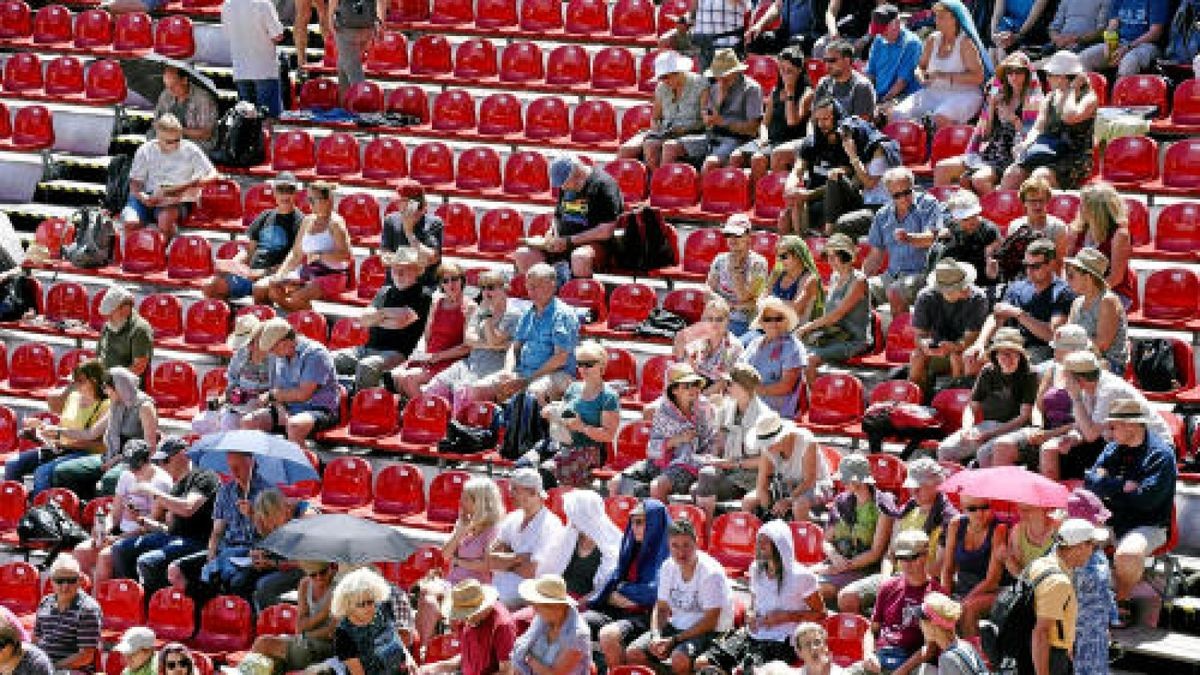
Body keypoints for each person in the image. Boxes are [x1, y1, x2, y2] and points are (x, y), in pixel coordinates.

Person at [1085, 398, 1177, 627]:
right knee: (1072, 538)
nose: (1109, 430)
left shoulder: (1160, 456)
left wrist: (1108, 485)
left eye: (1114, 425)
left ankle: (1122, 599)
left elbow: (1146, 501)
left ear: (1132, 426)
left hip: (1148, 524)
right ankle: (1089, 597)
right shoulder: (1113, 448)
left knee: (1127, 555)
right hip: (1111, 518)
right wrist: (1122, 486)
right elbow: (1091, 480)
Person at [695, 520, 825, 673]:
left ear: (780, 545)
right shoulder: (756, 568)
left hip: (782, 640)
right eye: (759, 541)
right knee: (702, 663)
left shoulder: (802, 576)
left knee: (747, 672)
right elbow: (755, 602)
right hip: (753, 633)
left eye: (766, 542)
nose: (760, 546)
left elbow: (821, 614)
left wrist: (785, 617)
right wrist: (750, 614)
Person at [841, 458, 958, 615]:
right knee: (847, 597)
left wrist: (904, 582)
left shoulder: (949, 520)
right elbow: (890, 556)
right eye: (911, 488)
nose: (913, 492)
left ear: (937, 486)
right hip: (895, 577)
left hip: (925, 582)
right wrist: (886, 580)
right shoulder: (905, 512)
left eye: (919, 487)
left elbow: (938, 568)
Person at [625, 519, 732, 675]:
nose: (681, 553)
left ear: (696, 543)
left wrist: (674, 640)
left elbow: (710, 621)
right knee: (634, 653)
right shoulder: (668, 566)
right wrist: (656, 635)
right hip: (677, 627)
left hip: (710, 631)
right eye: (675, 546)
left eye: (686, 545)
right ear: (669, 546)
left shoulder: (711, 573)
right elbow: (661, 608)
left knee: (680, 658)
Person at [114, 436, 220, 594]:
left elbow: (188, 508)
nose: (162, 466)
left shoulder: (204, 476)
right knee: (121, 548)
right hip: (174, 538)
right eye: (159, 462)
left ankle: (157, 604)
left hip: (199, 541)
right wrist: (143, 521)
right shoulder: (176, 486)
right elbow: (168, 528)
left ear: (183, 454)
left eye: (165, 460)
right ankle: (135, 598)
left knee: (148, 561)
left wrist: (153, 492)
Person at [415, 477, 506, 651]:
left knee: (449, 603)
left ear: (479, 502)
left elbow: (488, 564)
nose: (460, 501)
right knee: (427, 592)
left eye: (466, 498)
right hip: (453, 581)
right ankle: (423, 648)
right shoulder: (464, 521)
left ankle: (452, 648)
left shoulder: (494, 529)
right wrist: (459, 533)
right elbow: (445, 554)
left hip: (476, 586)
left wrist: (459, 561)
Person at [934, 51, 1042, 195]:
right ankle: (940, 214)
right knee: (942, 167)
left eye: (1019, 72)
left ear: (1027, 74)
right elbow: (985, 136)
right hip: (988, 152)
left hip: (1012, 157)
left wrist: (1013, 119)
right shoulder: (999, 98)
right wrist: (990, 108)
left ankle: (995, 212)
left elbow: (1031, 139)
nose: (1014, 76)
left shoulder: (1034, 101)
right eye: (1010, 71)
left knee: (979, 179)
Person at [984, 324, 1089, 468]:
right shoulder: (1052, 369)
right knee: (1002, 445)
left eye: (1059, 347)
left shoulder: (1090, 376)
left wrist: (1049, 434)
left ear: (1075, 351)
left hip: (1074, 435)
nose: (1054, 350)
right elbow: (1037, 407)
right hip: (1045, 431)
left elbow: (1086, 421)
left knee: (1049, 449)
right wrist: (1038, 427)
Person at [587, 499, 672, 672]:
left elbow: (653, 593)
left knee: (609, 635)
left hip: (650, 616)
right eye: (632, 521)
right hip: (620, 610)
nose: (634, 527)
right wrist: (616, 593)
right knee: (575, 622)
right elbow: (613, 581)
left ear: (654, 523)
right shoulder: (631, 547)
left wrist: (622, 590)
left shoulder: (670, 553)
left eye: (640, 522)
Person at [965, 238, 1074, 372]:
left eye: (1035, 266)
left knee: (1012, 362)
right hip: (1011, 343)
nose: (1029, 271)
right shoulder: (1018, 286)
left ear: (1050, 264)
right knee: (973, 358)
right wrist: (980, 343)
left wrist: (1019, 314)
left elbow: (1053, 335)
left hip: (1040, 349)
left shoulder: (1062, 292)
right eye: (1026, 265)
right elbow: (997, 316)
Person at [612, 363, 717, 502]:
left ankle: (660, 521)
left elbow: (710, 443)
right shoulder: (662, 410)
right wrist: (678, 439)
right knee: (616, 482)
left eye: (695, 384)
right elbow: (653, 447)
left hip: (690, 463)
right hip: (660, 461)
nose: (693, 389)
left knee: (657, 486)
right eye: (686, 386)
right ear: (674, 390)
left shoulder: (705, 408)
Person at [4, 359, 109, 497]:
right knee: (13, 464)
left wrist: (63, 440)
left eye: (80, 381)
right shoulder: (73, 397)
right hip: (60, 448)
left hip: (84, 453)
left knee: (42, 472)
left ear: (94, 381)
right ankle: (14, 507)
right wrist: (40, 429)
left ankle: (42, 513)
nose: (76, 385)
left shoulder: (106, 405)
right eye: (74, 380)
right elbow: (63, 428)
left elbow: (99, 444)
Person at [72, 441, 172, 585]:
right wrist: (104, 530)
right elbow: (115, 514)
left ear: (148, 459)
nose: (133, 470)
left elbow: (150, 527)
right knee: (81, 551)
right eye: (130, 465)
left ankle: (101, 602)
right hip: (122, 533)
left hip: (145, 538)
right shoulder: (126, 475)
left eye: (137, 466)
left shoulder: (160, 482)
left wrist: (118, 538)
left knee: (105, 556)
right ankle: (84, 598)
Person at [53, 367, 158, 500]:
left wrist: (119, 458)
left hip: (134, 461)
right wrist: (58, 430)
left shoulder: (145, 407)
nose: (105, 391)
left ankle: (102, 513)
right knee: (63, 472)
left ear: (119, 387)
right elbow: (91, 433)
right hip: (110, 455)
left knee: (110, 480)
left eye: (107, 387)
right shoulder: (116, 404)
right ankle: (82, 509)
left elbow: (150, 447)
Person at [335, 249, 431, 392]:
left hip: (396, 353)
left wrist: (379, 314)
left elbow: (400, 322)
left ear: (418, 271)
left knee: (367, 366)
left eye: (404, 269)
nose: (398, 274)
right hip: (366, 348)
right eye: (395, 268)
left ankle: (361, 407)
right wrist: (386, 315)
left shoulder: (423, 295)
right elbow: (364, 320)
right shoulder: (385, 291)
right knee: (328, 358)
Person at [426, 270, 523, 411]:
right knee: (435, 386)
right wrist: (491, 344)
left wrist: (487, 318)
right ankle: (436, 423)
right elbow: (469, 339)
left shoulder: (512, 315)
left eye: (491, 287)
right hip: (471, 362)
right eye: (483, 288)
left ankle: (457, 429)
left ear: (504, 288)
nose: (485, 292)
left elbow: (494, 339)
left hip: (494, 365)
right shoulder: (481, 310)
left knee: (462, 391)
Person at [514, 156, 624, 279]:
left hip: (594, 245)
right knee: (523, 255)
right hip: (564, 242)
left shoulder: (604, 185)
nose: (563, 188)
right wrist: (552, 234)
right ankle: (543, 293)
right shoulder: (566, 186)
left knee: (579, 257)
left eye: (565, 184)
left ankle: (577, 294)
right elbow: (558, 216)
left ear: (577, 174)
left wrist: (570, 241)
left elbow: (606, 231)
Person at [937, 330, 1037, 464]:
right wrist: (967, 428)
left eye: (1013, 354)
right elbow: (972, 407)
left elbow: (1023, 417)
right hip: (988, 425)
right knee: (945, 449)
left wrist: (989, 435)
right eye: (1004, 354)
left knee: (984, 454)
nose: (1008, 359)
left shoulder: (1029, 374)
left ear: (1020, 355)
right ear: (996, 355)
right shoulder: (988, 371)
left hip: (1015, 429)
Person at [888, 0, 991, 129]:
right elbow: (920, 67)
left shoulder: (965, 43)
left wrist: (942, 76)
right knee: (897, 114)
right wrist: (920, 76)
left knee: (940, 117)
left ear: (955, 19)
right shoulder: (932, 39)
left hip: (964, 94)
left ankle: (948, 147)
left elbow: (978, 77)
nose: (936, 20)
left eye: (941, 17)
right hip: (934, 92)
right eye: (936, 16)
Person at [1006, 50, 1098, 190]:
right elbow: (1038, 128)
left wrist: (1071, 89)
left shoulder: (1088, 98)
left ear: (1064, 77)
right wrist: (1025, 144)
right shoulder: (1049, 98)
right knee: (1012, 174)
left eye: (1050, 75)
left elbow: (1069, 116)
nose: (1047, 78)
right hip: (1047, 151)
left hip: (1074, 157)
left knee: (1040, 177)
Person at [864, 167, 948, 317]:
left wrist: (909, 238)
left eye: (907, 192)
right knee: (861, 288)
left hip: (921, 274)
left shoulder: (928, 204)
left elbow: (932, 238)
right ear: (889, 194)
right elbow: (876, 256)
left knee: (896, 290)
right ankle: (869, 336)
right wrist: (859, 278)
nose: (903, 198)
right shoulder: (882, 215)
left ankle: (898, 336)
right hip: (891, 275)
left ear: (913, 187)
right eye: (897, 195)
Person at [666, 49, 764, 176]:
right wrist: (713, 110)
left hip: (737, 139)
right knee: (670, 147)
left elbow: (752, 128)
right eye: (718, 75)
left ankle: (701, 194)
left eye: (724, 75)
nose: (720, 78)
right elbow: (709, 121)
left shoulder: (751, 89)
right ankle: (663, 185)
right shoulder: (714, 87)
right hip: (711, 135)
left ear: (736, 71)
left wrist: (723, 122)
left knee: (710, 163)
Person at [850, 530, 936, 675]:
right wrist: (868, 654)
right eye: (901, 558)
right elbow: (872, 630)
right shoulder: (888, 587)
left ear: (926, 555)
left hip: (913, 663)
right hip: (881, 657)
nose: (907, 564)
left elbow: (931, 648)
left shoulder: (936, 594)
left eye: (913, 557)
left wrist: (902, 671)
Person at [205, 173, 302, 302]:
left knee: (259, 287)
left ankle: (262, 316)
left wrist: (263, 273)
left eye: (289, 190)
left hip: (275, 276)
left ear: (296, 193)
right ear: (274, 192)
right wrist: (235, 264)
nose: (285, 195)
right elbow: (250, 250)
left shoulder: (300, 221)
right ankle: (228, 316)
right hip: (251, 273)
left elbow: (295, 260)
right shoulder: (265, 215)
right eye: (280, 190)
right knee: (211, 286)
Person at [123, 114, 219, 242]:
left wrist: (195, 184)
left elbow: (213, 174)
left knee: (166, 220)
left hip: (177, 200)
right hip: (146, 196)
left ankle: (161, 254)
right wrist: (143, 197)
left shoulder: (190, 149)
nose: (174, 144)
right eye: (169, 141)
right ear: (158, 137)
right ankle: (134, 255)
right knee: (130, 222)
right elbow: (135, 183)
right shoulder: (145, 150)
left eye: (178, 140)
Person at [246, 317, 342, 445]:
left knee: (294, 425)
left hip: (321, 410)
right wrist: (280, 407)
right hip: (290, 408)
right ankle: (258, 463)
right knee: (249, 421)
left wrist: (273, 395)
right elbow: (278, 390)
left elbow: (303, 395)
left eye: (273, 348)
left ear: (285, 342)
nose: (271, 352)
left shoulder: (316, 354)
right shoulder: (280, 355)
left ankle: (300, 464)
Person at [815, 455, 894, 607]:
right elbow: (825, 541)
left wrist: (838, 567)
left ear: (858, 480)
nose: (842, 482)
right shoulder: (841, 501)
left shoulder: (883, 505)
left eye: (845, 479)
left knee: (813, 589)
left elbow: (875, 553)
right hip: (837, 563)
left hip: (863, 569)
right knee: (799, 580)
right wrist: (834, 556)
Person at [537, 342, 620, 487]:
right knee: (525, 464)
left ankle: (555, 505)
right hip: (562, 444)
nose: (583, 369)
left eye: (589, 364)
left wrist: (582, 427)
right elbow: (564, 412)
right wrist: (551, 412)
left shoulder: (608, 396)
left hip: (590, 450)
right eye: (580, 364)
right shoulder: (573, 388)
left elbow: (608, 435)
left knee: (546, 472)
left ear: (601, 365)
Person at [497, 264, 580, 404]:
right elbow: (515, 347)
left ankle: (537, 426)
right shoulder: (528, 313)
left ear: (552, 286)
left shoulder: (563, 315)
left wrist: (528, 380)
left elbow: (560, 358)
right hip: (524, 372)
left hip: (557, 374)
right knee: (481, 389)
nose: (531, 292)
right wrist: (508, 370)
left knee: (534, 392)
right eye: (529, 287)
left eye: (536, 286)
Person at [266, 180, 353, 312]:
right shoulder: (307, 220)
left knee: (297, 297)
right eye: (308, 199)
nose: (309, 203)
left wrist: (320, 256)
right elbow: (296, 255)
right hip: (308, 272)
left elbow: (345, 255)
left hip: (332, 275)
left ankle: (309, 322)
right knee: (274, 290)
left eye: (313, 200)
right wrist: (280, 274)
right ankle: (304, 319)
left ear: (328, 200)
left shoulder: (336, 223)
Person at [695, 363, 768, 518]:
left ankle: (706, 533)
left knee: (705, 480)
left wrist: (734, 464)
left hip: (751, 478)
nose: (726, 387)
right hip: (728, 471)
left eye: (730, 383)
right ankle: (710, 532)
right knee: (697, 487)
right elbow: (719, 442)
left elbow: (766, 460)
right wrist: (714, 458)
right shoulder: (727, 408)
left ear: (744, 387)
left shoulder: (764, 416)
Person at [797, 234, 871, 386]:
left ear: (845, 256)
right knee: (795, 352)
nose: (829, 262)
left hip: (852, 340)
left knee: (810, 360)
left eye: (834, 257)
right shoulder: (835, 277)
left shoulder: (859, 280)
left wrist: (807, 327)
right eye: (828, 256)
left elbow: (836, 315)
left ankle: (815, 402)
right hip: (832, 335)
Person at [730, 46, 808, 188]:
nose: (784, 74)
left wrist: (790, 92)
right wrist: (764, 137)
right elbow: (764, 123)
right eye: (782, 70)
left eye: (789, 71)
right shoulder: (775, 92)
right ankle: (744, 197)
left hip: (790, 140)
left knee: (757, 159)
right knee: (735, 156)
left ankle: (762, 197)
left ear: (799, 70)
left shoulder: (807, 93)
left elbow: (792, 122)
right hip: (771, 139)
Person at [1026, 519, 1096, 675]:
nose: (1093, 551)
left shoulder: (1041, 563)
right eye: (1092, 545)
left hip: (1041, 652)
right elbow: (1041, 633)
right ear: (1079, 547)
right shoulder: (1059, 582)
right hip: (1050, 657)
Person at [489, 468, 566, 608]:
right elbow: (490, 559)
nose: (510, 494)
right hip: (498, 590)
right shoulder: (512, 518)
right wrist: (519, 559)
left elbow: (531, 571)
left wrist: (506, 559)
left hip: (526, 597)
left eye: (515, 490)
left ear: (532, 492)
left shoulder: (550, 525)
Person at [619, 51, 707, 173]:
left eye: (665, 77)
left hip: (695, 133)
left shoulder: (700, 84)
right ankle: (654, 182)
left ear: (678, 72)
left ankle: (662, 184)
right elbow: (655, 117)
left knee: (668, 147)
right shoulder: (661, 87)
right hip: (666, 131)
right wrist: (657, 129)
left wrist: (685, 129)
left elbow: (707, 120)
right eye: (661, 77)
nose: (663, 81)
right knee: (633, 148)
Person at [195, 451, 269, 594]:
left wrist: (252, 515)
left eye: (238, 467)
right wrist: (211, 554)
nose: (234, 473)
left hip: (255, 552)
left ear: (251, 464)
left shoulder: (267, 492)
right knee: (197, 574)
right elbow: (217, 531)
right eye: (231, 467)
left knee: (236, 581)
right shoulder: (226, 491)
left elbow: (272, 534)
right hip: (228, 549)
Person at [909, 258, 989, 390]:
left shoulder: (978, 299)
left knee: (957, 357)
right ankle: (917, 398)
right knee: (917, 357)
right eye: (961, 287)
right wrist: (926, 345)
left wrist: (955, 347)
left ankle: (956, 397)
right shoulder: (925, 298)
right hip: (937, 349)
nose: (966, 288)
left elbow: (971, 339)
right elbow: (919, 336)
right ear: (945, 291)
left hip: (965, 350)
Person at [1065, 488, 1118, 673]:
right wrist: (1066, 637)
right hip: (1076, 634)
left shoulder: (1095, 549)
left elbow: (1104, 590)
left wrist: (1108, 621)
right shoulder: (1067, 557)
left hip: (1096, 630)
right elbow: (1063, 601)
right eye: (1098, 522)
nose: (1103, 525)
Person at [250, 561, 337, 672]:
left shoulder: (337, 590)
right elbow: (299, 627)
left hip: (324, 647)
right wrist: (324, 613)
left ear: (331, 569)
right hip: (305, 640)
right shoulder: (305, 584)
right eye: (313, 575)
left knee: (263, 644)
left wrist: (305, 633)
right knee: (268, 657)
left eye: (323, 572)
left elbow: (331, 633)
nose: (319, 577)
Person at [939, 495, 1007, 638]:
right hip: (963, 585)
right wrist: (944, 596)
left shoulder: (999, 529)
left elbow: (992, 580)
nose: (979, 513)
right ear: (963, 509)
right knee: (934, 605)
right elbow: (947, 569)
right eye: (972, 509)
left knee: (968, 608)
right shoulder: (955, 525)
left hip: (991, 590)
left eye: (985, 507)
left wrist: (961, 603)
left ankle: (974, 656)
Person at [743, 412, 830, 522]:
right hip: (785, 487)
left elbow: (810, 481)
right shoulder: (766, 448)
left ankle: (801, 537)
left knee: (798, 505)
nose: (767, 446)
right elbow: (762, 483)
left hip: (815, 486)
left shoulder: (807, 441)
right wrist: (768, 508)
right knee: (748, 501)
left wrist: (788, 501)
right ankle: (757, 535)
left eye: (770, 442)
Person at [331, 567, 417, 675]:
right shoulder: (343, 634)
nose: (368, 608)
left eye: (370, 602)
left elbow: (395, 636)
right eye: (361, 604)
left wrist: (408, 657)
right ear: (348, 606)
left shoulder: (383, 607)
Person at [193, 315, 270, 434]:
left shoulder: (274, 357)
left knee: (228, 423)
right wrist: (220, 401)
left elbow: (279, 390)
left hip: (264, 407)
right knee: (199, 423)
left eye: (250, 342)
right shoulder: (240, 354)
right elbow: (232, 388)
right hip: (238, 406)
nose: (247, 347)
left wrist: (259, 397)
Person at [423, 579, 516, 675]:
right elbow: (468, 657)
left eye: (467, 614)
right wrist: (436, 667)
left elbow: (507, 671)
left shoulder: (502, 626)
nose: (464, 619)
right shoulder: (469, 620)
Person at [1071, 182, 1135, 310]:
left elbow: (1115, 278)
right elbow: (1068, 266)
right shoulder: (1077, 229)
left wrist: (1088, 294)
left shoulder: (1119, 234)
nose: (1080, 208)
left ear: (1097, 210)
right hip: (1080, 290)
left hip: (1112, 292)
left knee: (1096, 307)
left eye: (1084, 205)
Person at [33, 555, 102, 673]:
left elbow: (85, 656)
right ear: (52, 581)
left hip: (71, 670)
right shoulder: (45, 602)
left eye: (71, 580)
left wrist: (51, 668)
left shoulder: (88, 609)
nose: (65, 586)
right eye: (59, 581)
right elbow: (36, 639)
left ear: (79, 580)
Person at [1065, 247, 1128, 374]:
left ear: (1088, 277)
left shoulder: (1108, 301)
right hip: (1079, 358)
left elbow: (1101, 345)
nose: (1067, 280)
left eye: (1071, 275)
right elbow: (1067, 335)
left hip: (1108, 364)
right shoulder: (1077, 302)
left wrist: (1071, 348)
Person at [740, 296, 807, 417]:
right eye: (768, 319)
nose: (773, 323)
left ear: (786, 321)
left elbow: (786, 387)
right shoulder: (755, 342)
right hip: (750, 400)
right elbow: (741, 371)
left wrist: (754, 391)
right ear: (761, 322)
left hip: (776, 407)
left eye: (778, 318)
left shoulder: (793, 346)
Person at [512, 575, 591, 675]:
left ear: (557, 607)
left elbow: (555, 674)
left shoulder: (578, 635)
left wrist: (529, 659)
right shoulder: (542, 618)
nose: (534, 608)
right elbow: (520, 649)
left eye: (538, 604)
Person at [930, 190, 1003, 293]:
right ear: (955, 218)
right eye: (965, 218)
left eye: (974, 216)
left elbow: (992, 264)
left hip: (982, 283)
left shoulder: (989, 231)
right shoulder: (947, 228)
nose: (971, 221)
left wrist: (991, 271)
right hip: (953, 282)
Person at [707, 215, 769, 336]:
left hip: (745, 323)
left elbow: (745, 298)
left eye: (737, 235)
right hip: (718, 319)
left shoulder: (758, 264)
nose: (732, 239)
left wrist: (735, 271)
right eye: (729, 235)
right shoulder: (720, 260)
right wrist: (729, 306)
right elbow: (707, 293)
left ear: (748, 237)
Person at [221, 0, 284, 117]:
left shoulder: (226, 5)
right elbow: (277, 36)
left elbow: (227, 35)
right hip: (264, 70)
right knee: (269, 120)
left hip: (241, 70)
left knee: (247, 122)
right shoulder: (263, 4)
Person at [673, 297, 745, 395]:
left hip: (719, 395)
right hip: (696, 387)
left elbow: (723, 383)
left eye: (719, 319)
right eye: (710, 319)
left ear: (727, 321)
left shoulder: (734, 346)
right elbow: (689, 369)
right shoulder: (698, 340)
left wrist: (700, 397)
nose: (714, 323)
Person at [381, 180, 443, 290]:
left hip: (425, 287)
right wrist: (415, 260)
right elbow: (385, 258)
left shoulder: (434, 222)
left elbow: (433, 258)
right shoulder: (390, 220)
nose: (396, 204)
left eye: (401, 201)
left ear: (413, 203)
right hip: (395, 285)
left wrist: (409, 233)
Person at [1079, 0, 1169, 74]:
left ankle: (1120, 95)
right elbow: (1112, 25)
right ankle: (1091, 93)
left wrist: (1127, 48)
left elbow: (1155, 33)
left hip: (1147, 45)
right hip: (1121, 43)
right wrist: (1108, 44)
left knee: (1129, 61)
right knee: (1084, 58)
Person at [1002, 178, 1071, 265]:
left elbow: (1059, 263)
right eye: (1033, 201)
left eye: (1041, 201)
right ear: (1024, 202)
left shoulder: (1058, 227)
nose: (1038, 206)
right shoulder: (1015, 226)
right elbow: (1011, 261)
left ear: (1047, 201)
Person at [916, 592, 990, 673]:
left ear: (933, 626)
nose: (919, 625)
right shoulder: (966, 645)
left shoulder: (947, 659)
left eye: (922, 621)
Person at [866, 5, 923, 108]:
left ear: (896, 24)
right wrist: (868, 96)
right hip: (879, 95)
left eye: (884, 31)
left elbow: (902, 82)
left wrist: (880, 102)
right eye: (879, 32)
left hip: (903, 95)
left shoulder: (911, 43)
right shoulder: (879, 39)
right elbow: (870, 73)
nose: (881, 35)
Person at [150, 68, 219, 152]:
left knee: (177, 148)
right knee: (151, 137)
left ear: (184, 80)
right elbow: (156, 121)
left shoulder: (203, 99)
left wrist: (177, 131)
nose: (170, 90)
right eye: (167, 86)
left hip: (197, 141)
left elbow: (206, 134)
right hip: (171, 137)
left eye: (174, 85)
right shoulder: (166, 94)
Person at [328, 0, 385, 101]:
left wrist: (329, 18)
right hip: (368, 25)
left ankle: (363, 103)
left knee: (354, 69)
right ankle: (344, 102)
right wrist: (381, 21)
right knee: (345, 62)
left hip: (346, 26)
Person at [806, 40, 877, 121]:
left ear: (847, 60)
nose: (827, 65)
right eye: (825, 60)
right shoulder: (824, 83)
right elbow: (815, 116)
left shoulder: (862, 86)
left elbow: (860, 125)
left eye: (832, 60)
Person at [94, 285, 154, 380]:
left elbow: (138, 368)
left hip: (126, 385)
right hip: (105, 381)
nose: (108, 319)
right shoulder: (109, 325)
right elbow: (99, 356)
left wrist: (110, 380)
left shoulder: (140, 329)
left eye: (111, 315)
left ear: (125, 309)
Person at [1003, 504, 1060, 579]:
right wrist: (1008, 560)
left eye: (1027, 510)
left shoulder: (1061, 530)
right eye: (1019, 509)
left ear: (1045, 508)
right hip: (1029, 586)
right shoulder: (1017, 532)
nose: (1021, 514)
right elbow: (1020, 573)